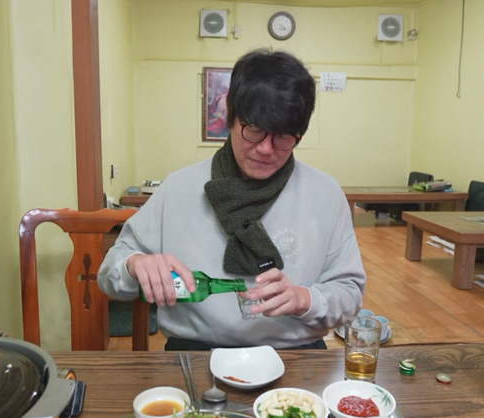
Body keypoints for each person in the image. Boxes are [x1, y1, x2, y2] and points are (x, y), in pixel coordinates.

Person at [98, 48, 366, 351]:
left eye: (283, 137)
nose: (265, 149)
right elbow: (109, 275)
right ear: (230, 117)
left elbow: (349, 292)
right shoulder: (179, 189)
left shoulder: (325, 195)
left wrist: (304, 299)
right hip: (194, 352)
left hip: (295, 355)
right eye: (254, 130)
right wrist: (135, 264)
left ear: (299, 135)